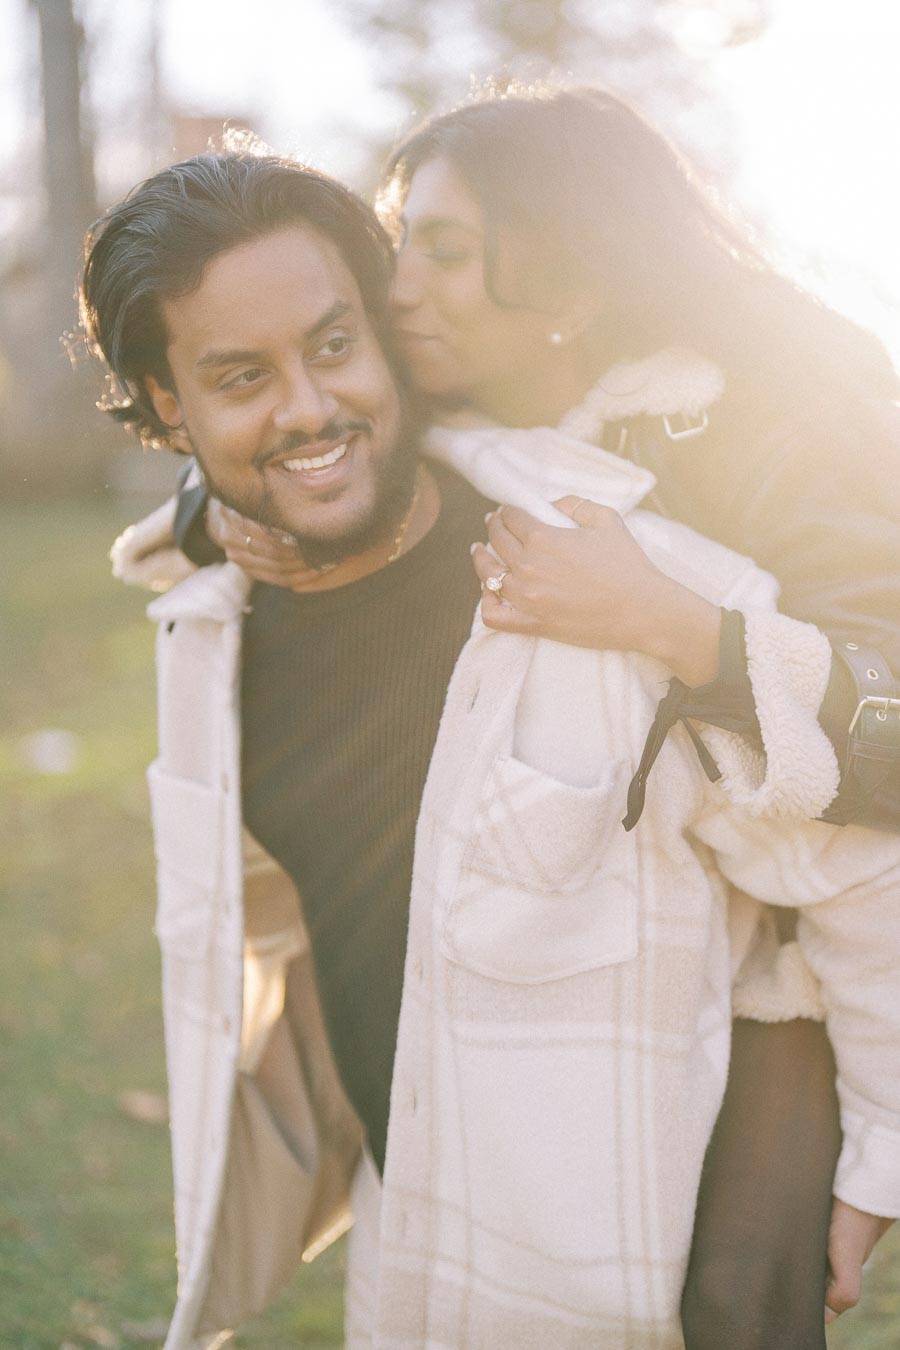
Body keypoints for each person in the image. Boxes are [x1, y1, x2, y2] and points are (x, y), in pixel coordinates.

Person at [83, 147, 900, 1350]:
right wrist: (217, 510)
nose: (308, 407)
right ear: (166, 403)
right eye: (240, 376)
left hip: (640, 1287)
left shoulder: (607, 566)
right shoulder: (206, 622)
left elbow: (859, 871)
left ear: (388, 334)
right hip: (415, 1264)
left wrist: (877, 1158)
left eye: (333, 346)